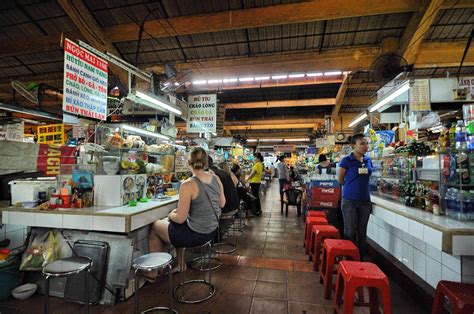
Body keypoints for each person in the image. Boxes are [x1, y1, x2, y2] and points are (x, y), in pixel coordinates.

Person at [147, 147, 225, 278]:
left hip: (196, 234)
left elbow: (180, 218)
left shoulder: (188, 184)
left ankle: (153, 273)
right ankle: (179, 264)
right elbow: (222, 204)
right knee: (174, 227)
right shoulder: (216, 179)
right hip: (211, 231)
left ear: (188, 162)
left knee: (156, 227)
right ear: (206, 163)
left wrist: (171, 214)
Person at [337, 133, 373, 259]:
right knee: (350, 231)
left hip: (365, 201)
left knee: (362, 231)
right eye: (362, 143)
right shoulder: (346, 160)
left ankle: (360, 257)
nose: (365, 146)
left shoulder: (368, 160)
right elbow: (340, 180)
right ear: (353, 145)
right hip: (349, 201)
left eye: (367, 143)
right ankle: (349, 257)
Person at [209, 157, 240, 240]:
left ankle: (212, 238)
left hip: (227, 209)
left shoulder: (212, 175)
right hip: (234, 205)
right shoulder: (222, 173)